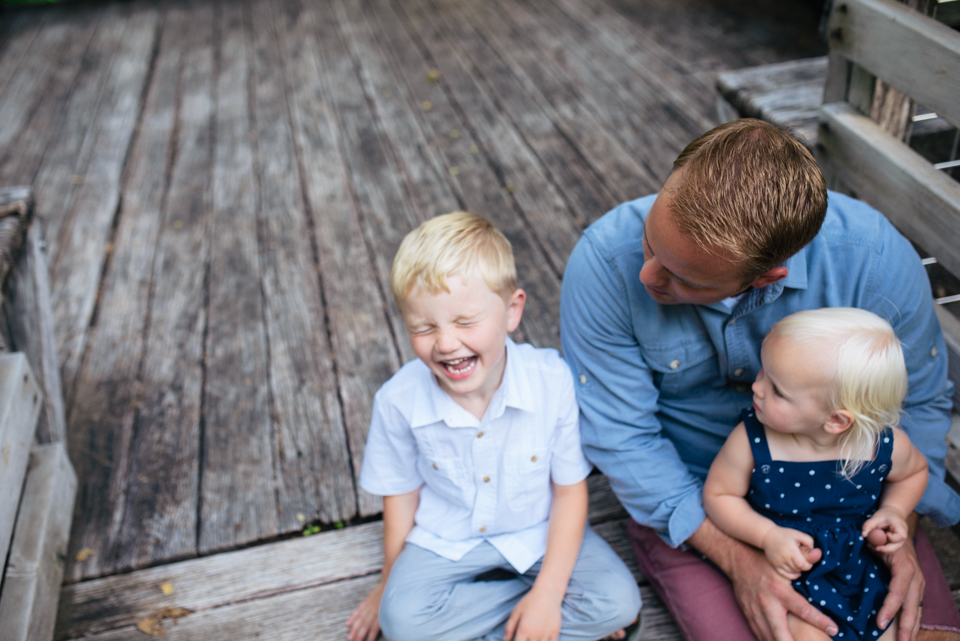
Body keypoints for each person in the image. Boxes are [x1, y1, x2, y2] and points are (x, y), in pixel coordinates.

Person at [559, 119, 960, 641]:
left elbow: (921, 404)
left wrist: (898, 528)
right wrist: (739, 561)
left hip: (851, 502)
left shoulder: (874, 263)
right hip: (694, 500)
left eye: (684, 278)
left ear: (767, 277)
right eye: (649, 241)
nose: (647, 276)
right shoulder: (602, 264)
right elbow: (623, 438)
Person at [346, 212, 641, 641]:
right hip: (447, 539)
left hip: (537, 532)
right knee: (402, 620)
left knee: (618, 602)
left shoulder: (550, 380)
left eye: (465, 322)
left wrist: (547, 594)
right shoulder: (397, 400)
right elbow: (400, 495)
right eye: (424, 328)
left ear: (511, 311)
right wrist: (386, 583)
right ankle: (540, 620)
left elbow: (569, 491)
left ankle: (534, 610)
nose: (446, 343)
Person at [703, 308, 930, 640]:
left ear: (837, 421)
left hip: (861, 564)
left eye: (778, 390)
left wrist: (893, 510)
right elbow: (719, 495)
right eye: (763, 372)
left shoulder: (882, 446)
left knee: (892, 630)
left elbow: (913, 473)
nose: (757, 387)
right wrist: (767, 536)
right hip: (789, 564)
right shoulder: (753, 441)